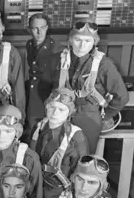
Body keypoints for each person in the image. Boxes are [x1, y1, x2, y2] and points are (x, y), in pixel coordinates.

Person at [52, 21, 129, 152]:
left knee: (83, 156)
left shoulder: (104, 65)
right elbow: (46, 86)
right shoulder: (58, 60)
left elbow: (122, 97)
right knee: (57, 154)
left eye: (87, 41)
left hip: (88, 116)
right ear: (70, 41)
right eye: (78, 40)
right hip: (60, 113)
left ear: (94, 42)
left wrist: (104, 116)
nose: (82, 45)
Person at [29, 88, 89, 198]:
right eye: (52, 107)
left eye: (61, 110)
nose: (55, 113)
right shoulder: (38, 128)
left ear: (69, 113)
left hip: (59, 191)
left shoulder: (76, 136)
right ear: (46, 107)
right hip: (35, 186)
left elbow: (81, 170)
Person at [24, 13, 59, 134]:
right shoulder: (29, 45)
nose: (40, 32)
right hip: (32, 97)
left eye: (43, 28)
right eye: (35, 28)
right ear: (29, 29)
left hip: (46, 97)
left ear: (47, 28)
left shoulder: (56, 48)